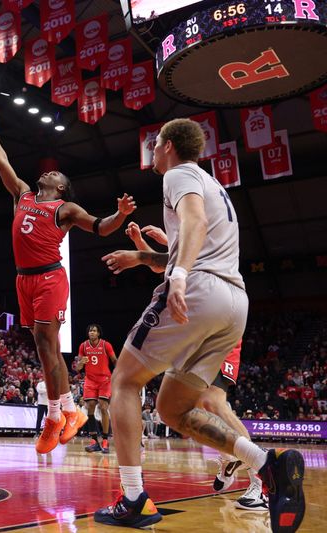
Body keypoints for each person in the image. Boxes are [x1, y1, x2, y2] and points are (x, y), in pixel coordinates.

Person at [96, 118, 304, 530]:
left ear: (169, 145)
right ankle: (266, 464)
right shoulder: (215, 185)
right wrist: (147, 258)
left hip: (201, 289)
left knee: (123, 382)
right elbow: (194, 240)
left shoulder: (178, 175)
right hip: (233, 303)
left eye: (155, 145)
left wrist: (178, 275)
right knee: (172, 408)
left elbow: (195, 222)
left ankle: (134, 498)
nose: (152, 152)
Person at [0, 104, 135, 454]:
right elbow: (2, 163)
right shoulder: (23, 194)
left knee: (48, 346)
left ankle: (53, 417)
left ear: (61, 188)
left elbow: (100, 227)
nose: (47, 174)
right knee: (43, 349)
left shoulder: (65, 209)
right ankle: (70, 411)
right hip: (23, 280)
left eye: (55, 174)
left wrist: (119, 215)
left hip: (49, 278)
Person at [125, 221, 266, 511]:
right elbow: (163, 265)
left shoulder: (206, 235)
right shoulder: (185, 248)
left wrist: (151, 246)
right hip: (196, 329)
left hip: (219, 325)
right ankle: (230, 458)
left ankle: (260, 482)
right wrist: (142, 243)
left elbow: (175, 258)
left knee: (214, 403)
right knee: (184, 407)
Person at [75, 324, 117, 453]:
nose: (91, 332)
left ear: (98, 333)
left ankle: (105, 440)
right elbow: (78, 368)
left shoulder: (106, 345)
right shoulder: (83, 346)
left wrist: (119, 373)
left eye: (94, 331)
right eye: (90, 331)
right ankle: (94, 440)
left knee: (104, 407)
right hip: (90, 380)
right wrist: (81, 362)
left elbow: (114, 360)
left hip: (104, 380)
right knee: (90, 408)